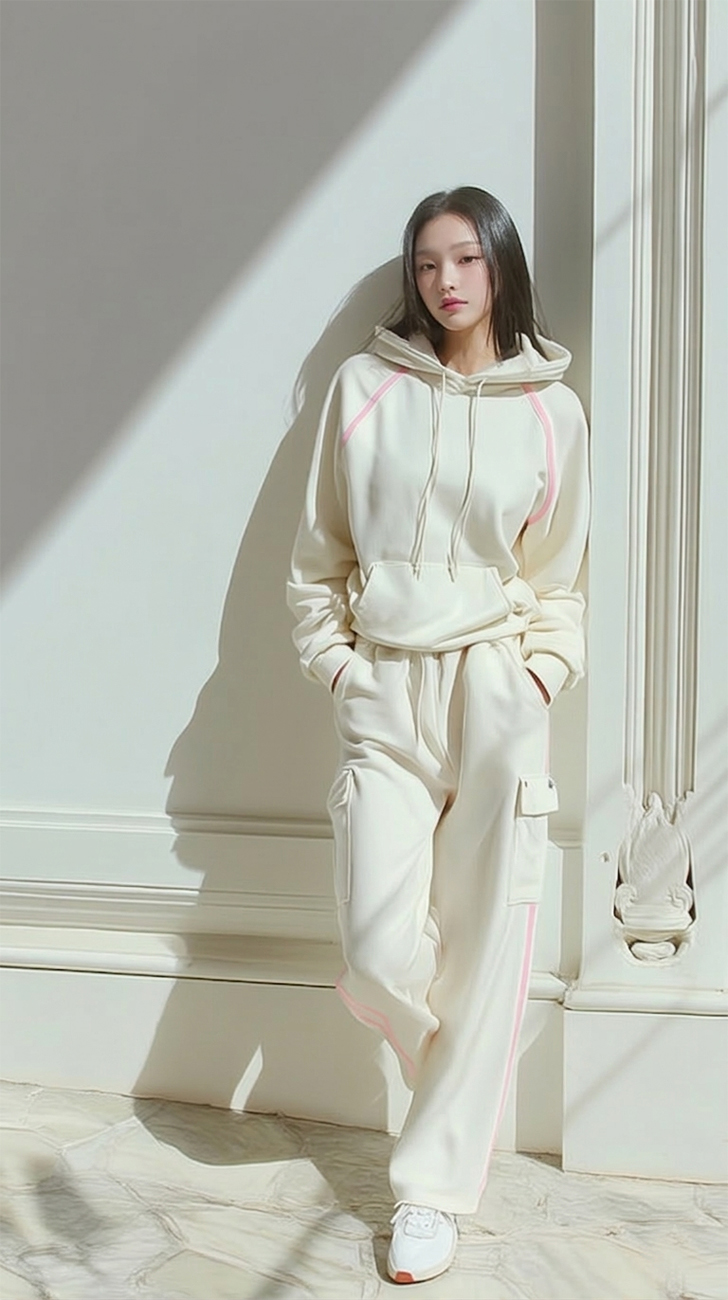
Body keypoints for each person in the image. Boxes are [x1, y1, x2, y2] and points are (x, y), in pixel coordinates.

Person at [287, 186, 590, 1284]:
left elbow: (559, 578)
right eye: (426, 263)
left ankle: (430, 1195)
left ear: (500, 265)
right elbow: (316, 555)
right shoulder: (362, 387)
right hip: (384, 687)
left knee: (490, 935)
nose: (445, 281)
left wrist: (538, 675)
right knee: (379, 947)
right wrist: (338, 665)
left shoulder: (552, 411)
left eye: (465, 258)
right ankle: (455, 1071)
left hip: (496, 693)